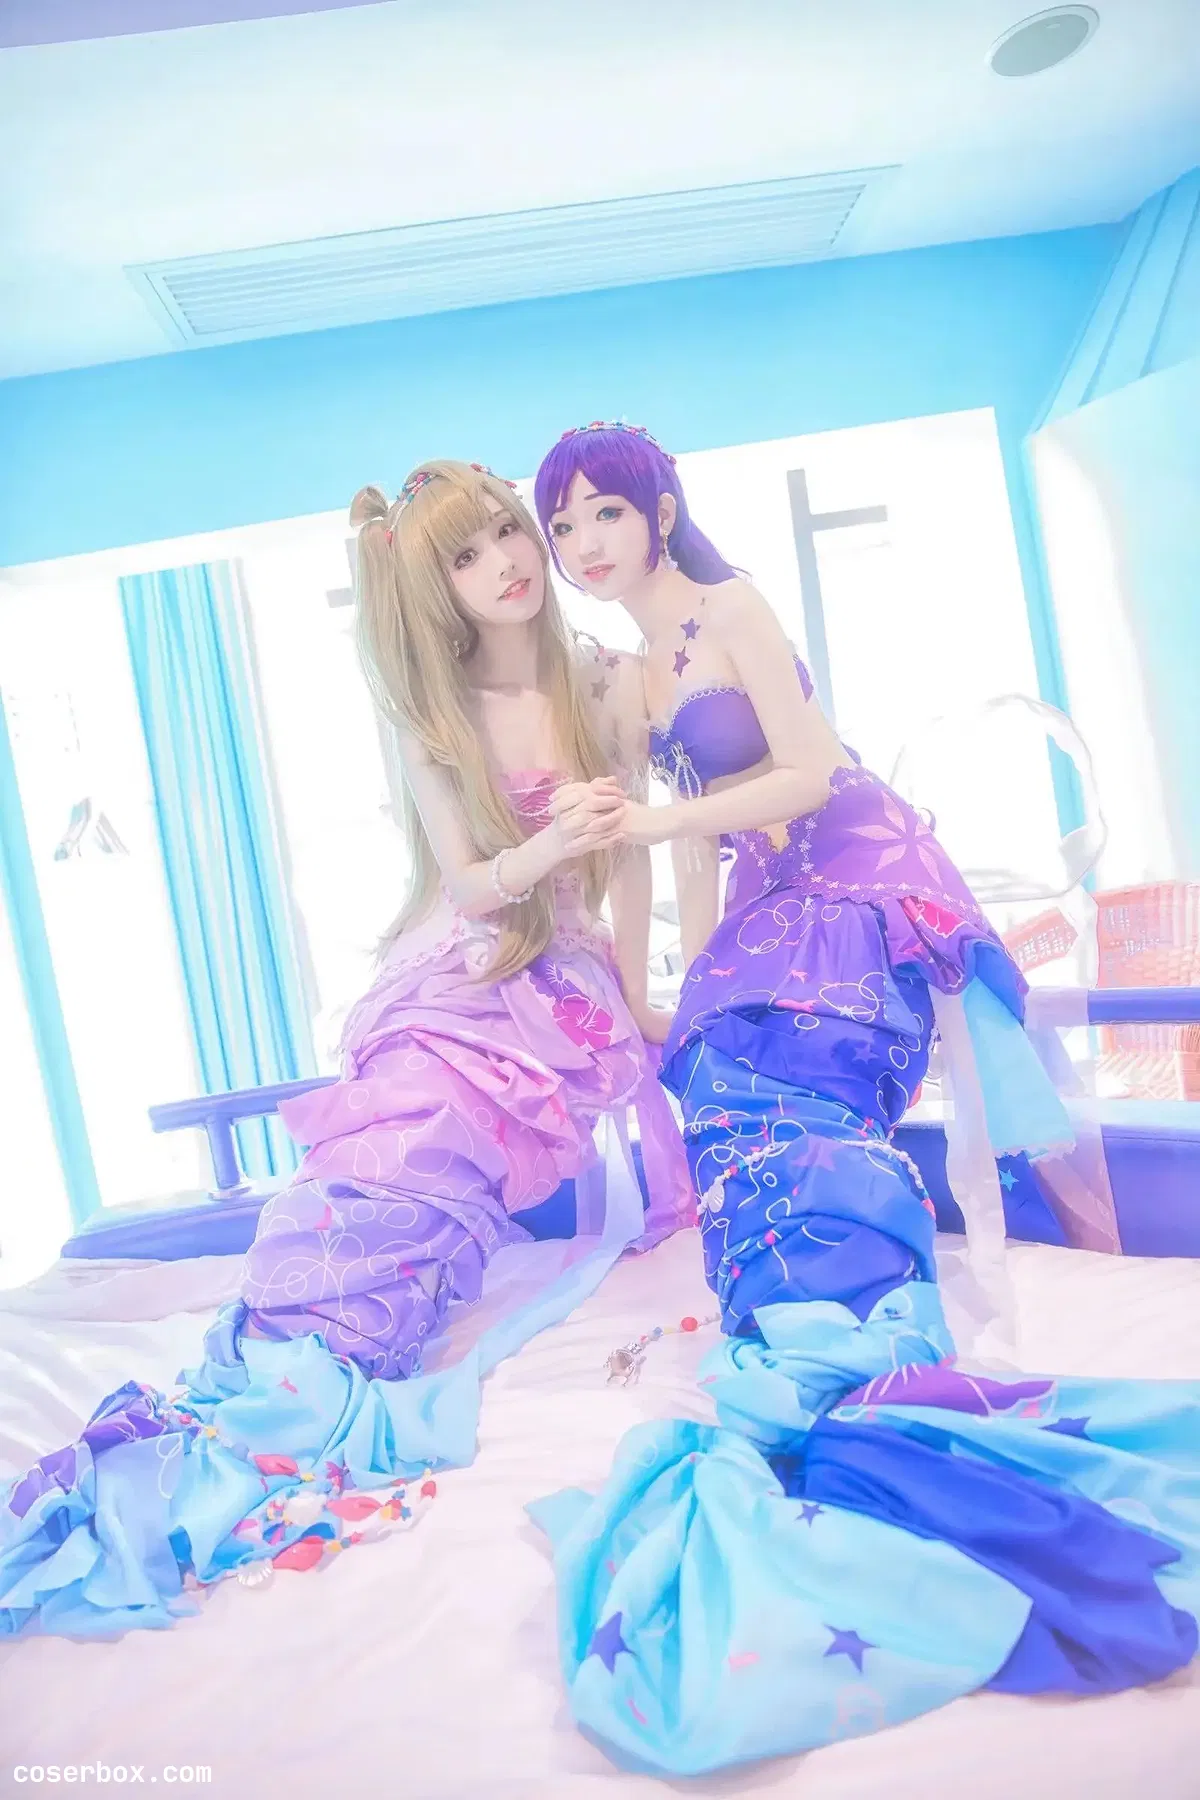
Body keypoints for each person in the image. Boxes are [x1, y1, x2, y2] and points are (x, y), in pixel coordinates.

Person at [529, 422, 1200, 1776]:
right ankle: (805, 1319)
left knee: (810, 1090)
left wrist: (659, 825)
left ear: (659, 506)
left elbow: (807, 769)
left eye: (604, 510)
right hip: (766, 895)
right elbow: (682, 854)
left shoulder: (730, 608)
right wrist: (674, 986)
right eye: (563, 527)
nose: (585, 543)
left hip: (857, 864)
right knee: (720, 1077)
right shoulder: (625, 684)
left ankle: (858, 1332)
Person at [0, 460, 693, 1639]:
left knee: (443, 1147)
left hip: (558, 975)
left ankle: (343, 1342)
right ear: (432, 589)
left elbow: (631, 862)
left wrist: (635, 994)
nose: (506, 563)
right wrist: (542, 852)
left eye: (506, 532)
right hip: (464, 957)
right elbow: (469, 883)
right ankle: (287, 1349)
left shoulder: (607, 683)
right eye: (465, 556)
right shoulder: (433, 718)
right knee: (382, 1138)